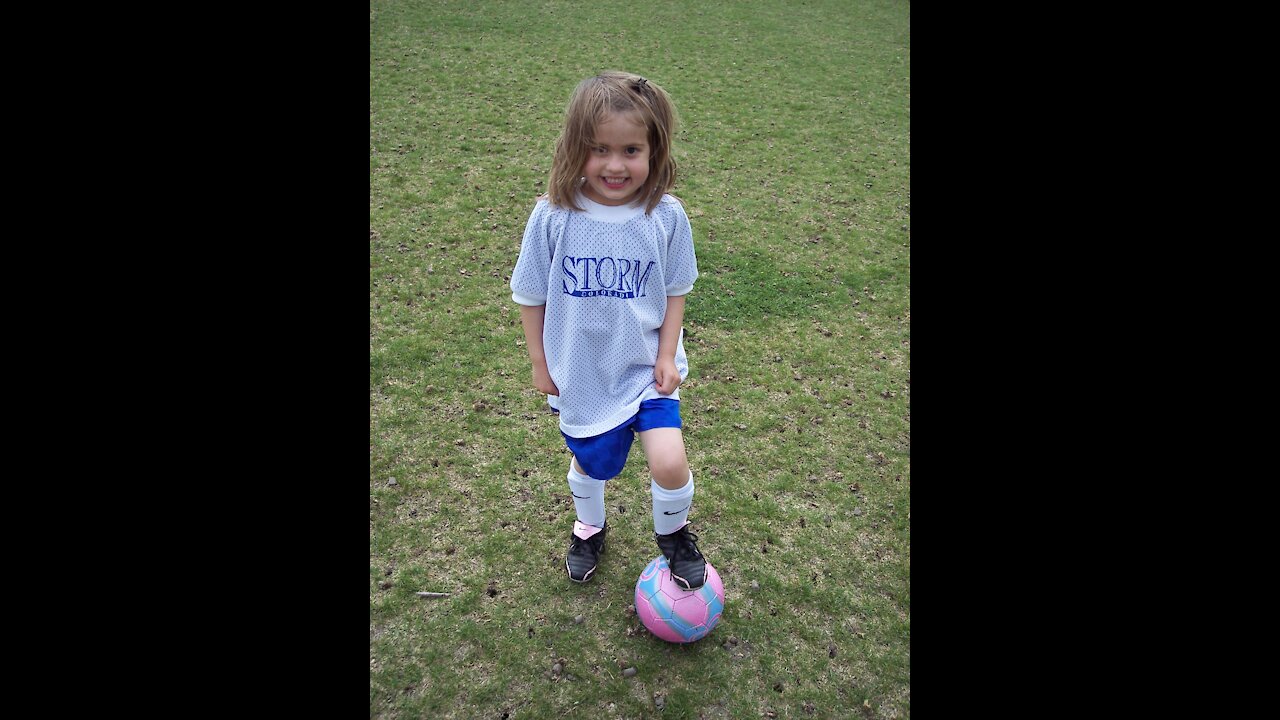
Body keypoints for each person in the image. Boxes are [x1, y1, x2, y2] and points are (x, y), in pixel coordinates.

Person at [509, 71, 708, 589]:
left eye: (631, 150)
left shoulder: (665, 216)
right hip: (583, 372)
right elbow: (531, 294)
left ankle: (674, 537)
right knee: (592, 465)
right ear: (575, 148)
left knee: (669, 461)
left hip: (646, 366)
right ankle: (589, 527)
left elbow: (674, 291)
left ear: (655, 150)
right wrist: (539, 362)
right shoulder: (554, 215)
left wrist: (667, 355)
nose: (615, 165)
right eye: (599, 149)